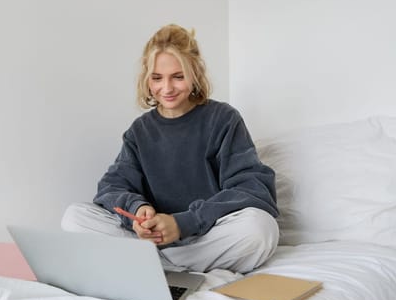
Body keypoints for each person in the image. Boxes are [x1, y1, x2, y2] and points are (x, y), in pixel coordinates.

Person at [61, 24, 279, 274]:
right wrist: (137, 211)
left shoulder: (223, 119)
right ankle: (169, 266)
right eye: (157, 78)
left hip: (206, 236)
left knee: (261, 229)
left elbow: (253, 188)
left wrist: (183, 222)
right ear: (147, 79)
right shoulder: (139, 131)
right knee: (74, 218)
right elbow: (112, 186)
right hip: (154, 242)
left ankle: (156, 268)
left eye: (178, 76)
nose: (167, 88)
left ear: (195, 73)